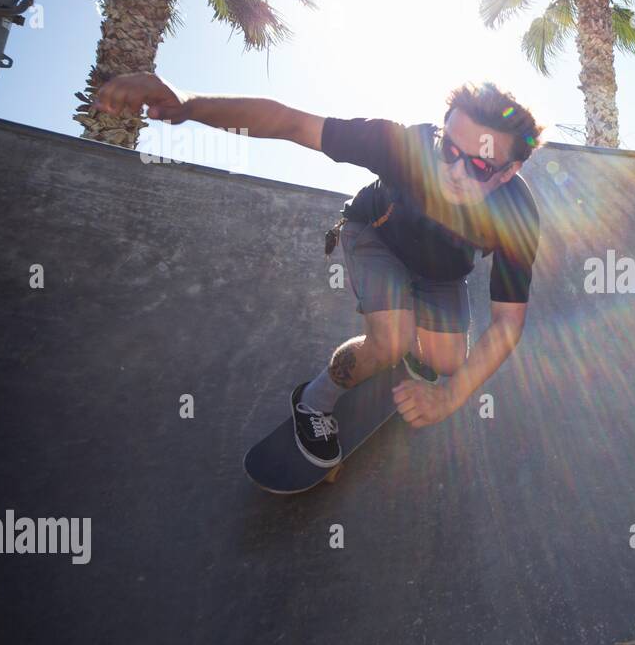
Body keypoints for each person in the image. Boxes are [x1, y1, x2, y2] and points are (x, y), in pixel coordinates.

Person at [93, 73, 542, 468]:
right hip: (376, 237)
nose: (456, 173)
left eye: (480, 165)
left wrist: (450, 396)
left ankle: (409, 347)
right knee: (392, 341)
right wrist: (188, 103)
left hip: (441, 273)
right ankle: (314, 400)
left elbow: (507, 323)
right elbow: (292, 122)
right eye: (450, 149)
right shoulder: (401, 146)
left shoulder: (517, 215)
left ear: (508, 172)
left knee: (448, 364)